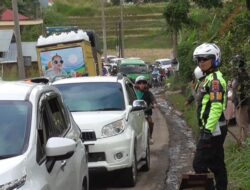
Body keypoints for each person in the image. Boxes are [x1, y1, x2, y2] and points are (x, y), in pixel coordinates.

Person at [192, 43, 228, 190]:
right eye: (199, 59)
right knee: (217, 164)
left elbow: (216, 106)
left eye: (206, 59)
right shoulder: (207, 78)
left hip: (214, 129)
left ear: (215, 59)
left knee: (199, 164)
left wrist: (207, 130)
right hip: (214, 127)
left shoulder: (214, 81)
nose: (202, 62)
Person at [231, 55, 250, 144]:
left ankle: (245, 142)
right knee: (240, 122)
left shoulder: (242, 76)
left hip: (242, 103)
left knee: (243, 123)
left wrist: (239, 103)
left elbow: (242, 91)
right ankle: (240, 141)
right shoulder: (239, 76)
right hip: (239, 103)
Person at [134, 75, 156, 144]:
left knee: (150, 122)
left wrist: (154, 104)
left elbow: (153, 99)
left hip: (146, 112)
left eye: (143, 83)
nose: (142, 85)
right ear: (136, 84)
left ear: (146, 84)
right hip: (135, 113)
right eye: (139, 83)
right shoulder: (133, 92)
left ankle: (150, 136)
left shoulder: (148, 93)